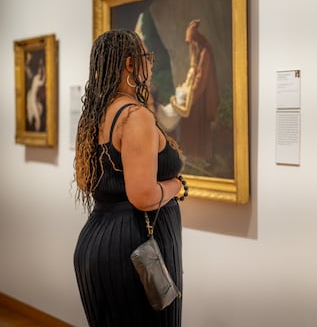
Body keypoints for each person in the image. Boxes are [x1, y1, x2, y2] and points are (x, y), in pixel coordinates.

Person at [73, 29, 187, 326]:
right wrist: (177, 186)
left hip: (97, 244)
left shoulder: (93, 116)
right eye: (147, 58)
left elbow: (87, 182)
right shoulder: (135, 116)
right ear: (128, 64)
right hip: (135, 250)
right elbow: (144, 197)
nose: (150, 66)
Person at [171, 19, 219, 163]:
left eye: (191, 43)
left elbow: (201, 79)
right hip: (198, 97)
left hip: (201, 99)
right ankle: (191, 155)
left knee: (194, 124)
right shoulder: (199, 52)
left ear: (196, 39)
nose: (190, 46)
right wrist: (192, 53)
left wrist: (190, 95)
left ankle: (198, 156)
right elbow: (194, 68)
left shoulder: (205, 53)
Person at [26, 57, 46, 131]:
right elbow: (32, 99)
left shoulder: (44, 78)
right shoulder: (36, 79)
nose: (40, 69)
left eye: (42, 66)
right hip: (32, 102)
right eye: (39, 66)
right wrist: (38, 119)